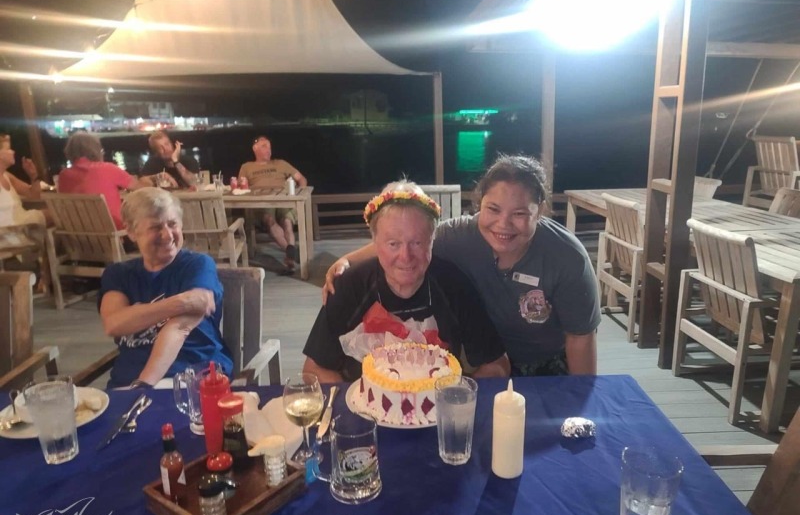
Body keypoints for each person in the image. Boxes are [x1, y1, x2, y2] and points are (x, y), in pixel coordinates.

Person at [325, 155, 601, 376]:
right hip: (489, 358)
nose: (503, 224)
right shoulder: (458, 236)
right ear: (479, 204)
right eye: (493, 209)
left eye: (519, 213)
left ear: (538, 211)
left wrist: (581, 398)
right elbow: (407, 240)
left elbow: (580, 338)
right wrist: (347, 260)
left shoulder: (567, 257)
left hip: (548, 365)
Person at [304, 181, 510, 384]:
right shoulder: (350, 286)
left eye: (417, 243)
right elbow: (313, 370)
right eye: (393, 244)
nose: (405, 256)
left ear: (432, 239)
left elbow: (497, 366)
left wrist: (458, 396)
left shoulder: (455, 285)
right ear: (375, 243)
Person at [99, 188, 233, 388]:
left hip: (192, 378)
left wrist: (143, 386)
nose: (168, 235)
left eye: (172, 224)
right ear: (131, 232)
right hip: (127, 382)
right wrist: (179, 302)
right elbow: (113, 324)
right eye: (155, 227)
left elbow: (180, 326)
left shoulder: (196, 265)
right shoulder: (118, 274)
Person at [238, 136, 307, 273]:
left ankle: (290, 255)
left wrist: (300, 194)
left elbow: (301, 179)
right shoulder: (246, 167)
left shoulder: (280, 163)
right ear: (255, 149)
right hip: (262, 201)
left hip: (283, 198)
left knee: (287, 221)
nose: (268, 150)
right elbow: (241, 187)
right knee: (269, 220)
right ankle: (291, 252)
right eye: (264, 146)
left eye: (269, 147)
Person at [56, 131, 146, 229]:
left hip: (79, 232)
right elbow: (142, 189)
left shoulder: (64, 175)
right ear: (96, 149)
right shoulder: (108, 168)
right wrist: (147, 181)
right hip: (113, 231)